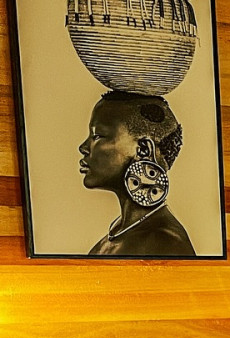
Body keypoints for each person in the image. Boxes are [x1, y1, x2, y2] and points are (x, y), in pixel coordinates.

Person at [78, 91, 196, 257]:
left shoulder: (165, 243)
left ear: (143, 150)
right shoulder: (115, 236)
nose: (83, 147)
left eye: (97, 136)